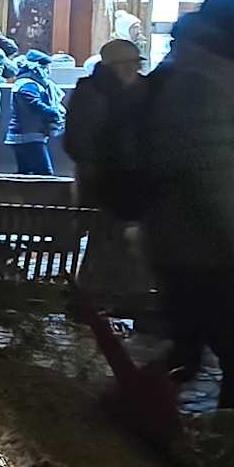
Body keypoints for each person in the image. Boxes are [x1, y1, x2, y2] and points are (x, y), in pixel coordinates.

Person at [142, 0, 234, 410]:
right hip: (205, 247)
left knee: (189, 353)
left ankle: (125, 417)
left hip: (181, 241)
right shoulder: (211, 82)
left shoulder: (195, 72)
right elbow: (216, 175)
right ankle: (233, 446)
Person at [64, 39, 150, 309]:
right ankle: (93, 302)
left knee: (130, 245)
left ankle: (128, 301)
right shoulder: (90, 92)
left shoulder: (146, 90)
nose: (131, 69)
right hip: (103, 182)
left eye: (135, 63)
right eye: (124, 64)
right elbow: (78, 140)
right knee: (103, 243)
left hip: (137, 182)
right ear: (109, 66)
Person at [2, 53, 65, 176]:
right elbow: (34, 103)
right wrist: (53, 113)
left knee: (25, 174)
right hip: (28, 135)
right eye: (46, 67)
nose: (48, 71)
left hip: (25, 134)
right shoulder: (28, 84)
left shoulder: (26, 82)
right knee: (44, 174)